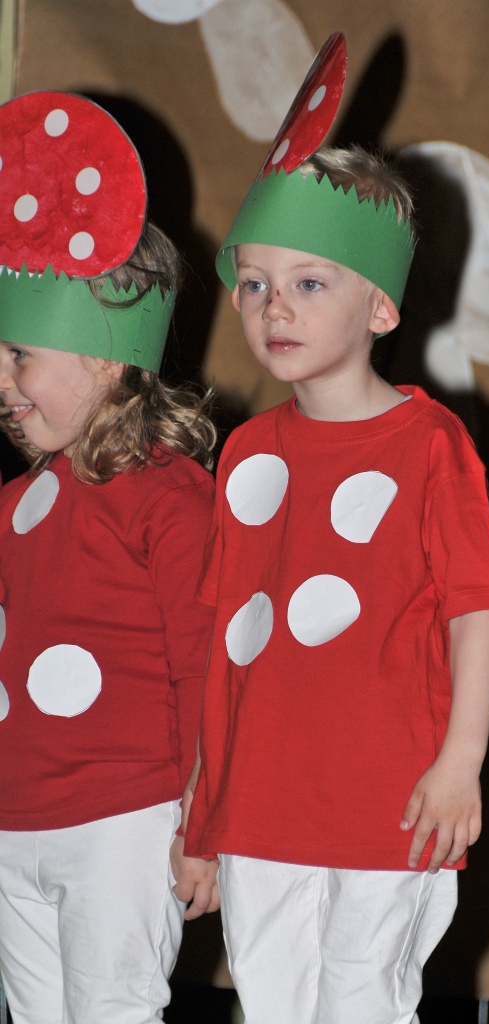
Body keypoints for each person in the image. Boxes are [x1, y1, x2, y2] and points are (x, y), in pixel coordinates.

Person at [175, 140, 489, 1024]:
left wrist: (461, 763)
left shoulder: (431, 445)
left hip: (389, 806)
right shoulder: (245, 453)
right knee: (272, 1005)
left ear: (381, 308)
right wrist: (202, 809)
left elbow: (474, 613)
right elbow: (226, 647)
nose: (274, 306)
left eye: (310, 282)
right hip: (260, 809)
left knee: (363, 1004)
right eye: (255, 283)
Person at [0, 91, 217, 1024]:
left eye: (19, 355)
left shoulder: (170, 496)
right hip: (14, 825)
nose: (1, 382)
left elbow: (206, 665)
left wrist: (204, 819)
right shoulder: (16, 506)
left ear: (108, 360)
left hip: (123, 823)